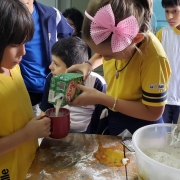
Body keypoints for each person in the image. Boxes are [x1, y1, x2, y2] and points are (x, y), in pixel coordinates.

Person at [66, 0, 171, 135]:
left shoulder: (154, 59)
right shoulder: (117, 43)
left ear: (136, 39)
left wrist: (102, 98)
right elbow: (104, 50)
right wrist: (88, 65)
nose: (105, 58)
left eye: (109, 55)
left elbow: (153, 112)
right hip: (116, 116)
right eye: (101, 54)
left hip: (143, 129)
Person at [0, 0, 51, 179]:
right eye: (15, 45)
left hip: (28, 165)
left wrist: (35, 123)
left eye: (25, 43)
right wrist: (27, 134)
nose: (23, 52)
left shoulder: (14, 68)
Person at [40, 36, 106, 133]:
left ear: (74, 69)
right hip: (59, 129)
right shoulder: (52, 78)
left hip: (88, 133)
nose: (50, 67)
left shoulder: (97, 82)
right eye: (52, 61)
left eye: (56, 64)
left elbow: (101, 118)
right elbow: (45, 110)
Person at [20, 0, 74, 116]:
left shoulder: (52, 15)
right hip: (22, 91)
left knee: (53, 126)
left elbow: (69, 41)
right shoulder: (5, 16)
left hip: (52, 87)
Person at [156, 0, 180, 124]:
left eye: (175, 11)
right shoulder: (162, 34)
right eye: (167, 11)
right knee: (161, 137)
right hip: (163, 99)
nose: (169, 17)